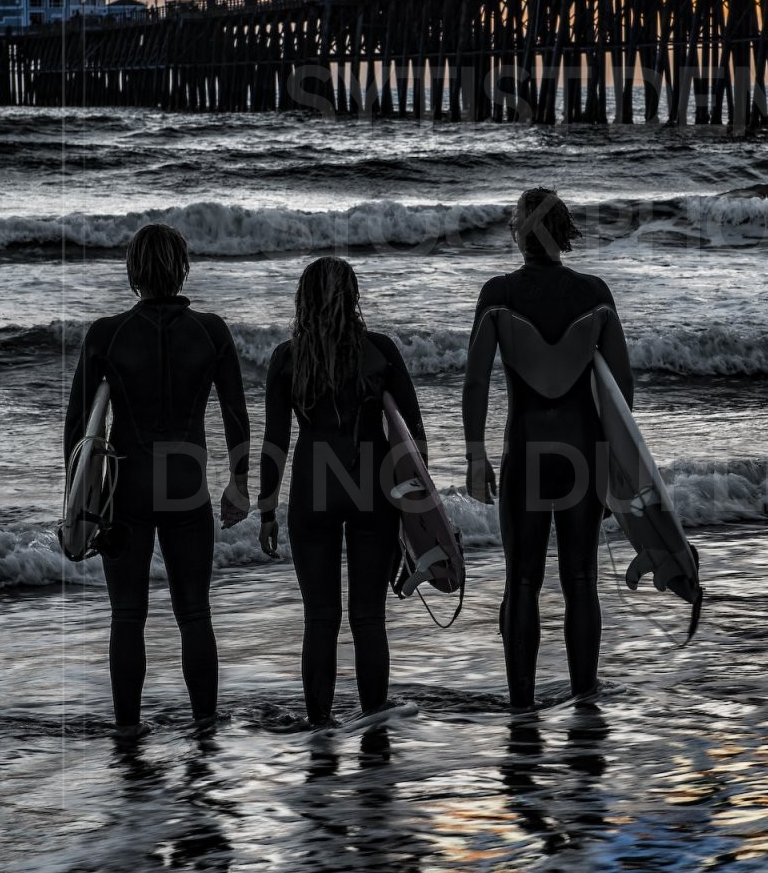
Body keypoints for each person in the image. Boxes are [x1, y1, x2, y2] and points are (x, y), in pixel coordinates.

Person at [64, 223, 251, 738]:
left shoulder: (108, 335)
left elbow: (78, 429)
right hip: (186, 483)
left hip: (130, 485)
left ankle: (127, 731)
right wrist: (240, 481)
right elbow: (236, 416)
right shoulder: (211, 332)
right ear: (183, 267)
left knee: (128, 617)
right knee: (195, 614)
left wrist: (76, 507)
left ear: (132, 272)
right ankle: (206, 727)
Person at [463, 188, 633, 710]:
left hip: (527, 451)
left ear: (520, 230)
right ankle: (584, 697)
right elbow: (622, 393)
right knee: (581, 578)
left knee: (522, 581)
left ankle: (521, 707)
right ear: (562, 230)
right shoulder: (595, 294)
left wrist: (475, 454)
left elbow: (476, 382)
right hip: (583, 454)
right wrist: (616, 467)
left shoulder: (498, 294)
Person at [257, 257, 427, 728]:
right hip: (371, 488)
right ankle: (373, 717)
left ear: (302, 300)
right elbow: (413, 437)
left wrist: (267, 507)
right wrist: (420, 513)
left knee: (320, 618)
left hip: (313, 488)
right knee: (368, 616)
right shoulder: (381, 351)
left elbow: (275, 442)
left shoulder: (287, 358)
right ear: (353, 296)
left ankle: (319, 726)